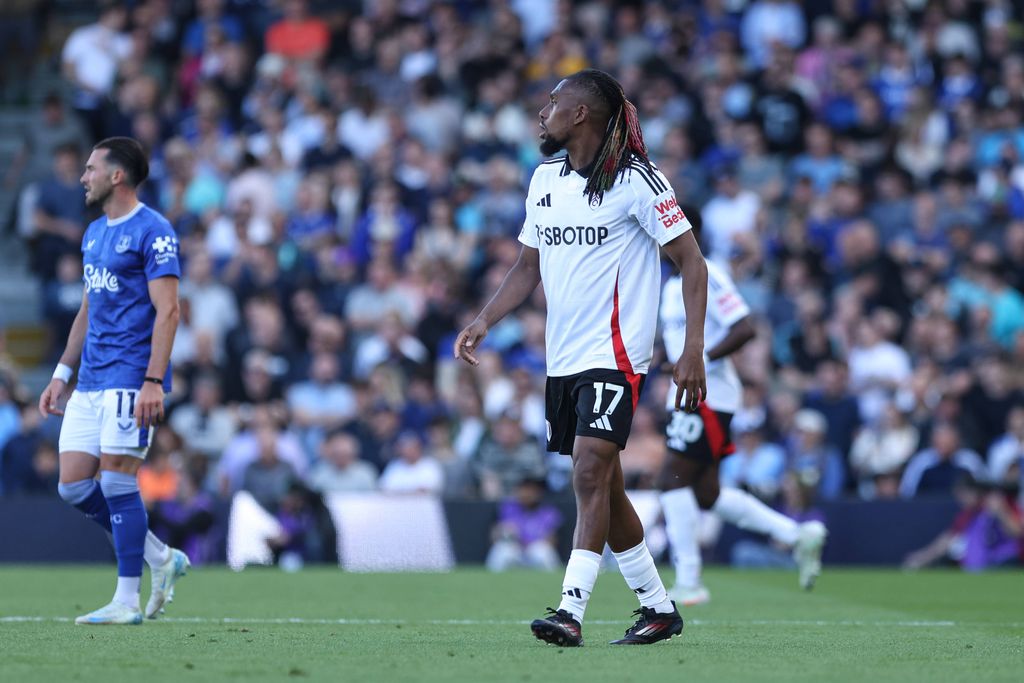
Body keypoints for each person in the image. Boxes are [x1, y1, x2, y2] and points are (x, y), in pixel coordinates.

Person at [455, 69, 707, 647]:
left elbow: (692, 263)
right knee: (606, 486)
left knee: (589, 470)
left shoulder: (639, 182)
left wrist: (691, 348)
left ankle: (570, 610)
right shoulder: (544, 181)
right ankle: (658, 607)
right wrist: (484, 320)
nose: (543, 112)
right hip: (562, 358)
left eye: (553, 102)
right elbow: (527, 267)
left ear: (581, 115)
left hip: (616, 354)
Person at [37, 137, 189, 626]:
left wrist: (153, 381)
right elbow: (89, 306)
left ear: (116, 176)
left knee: (119, 481)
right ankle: (161, 558)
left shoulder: (154, 231)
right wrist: (63, 371)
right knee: (74, 486)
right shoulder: (94, 234)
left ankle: (126, 601)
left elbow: (170, 311)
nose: (83, 177)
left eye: (90, 169)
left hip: (130, 377)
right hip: (92, 380)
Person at [657, 207, 827, 607]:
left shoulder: (708, 272)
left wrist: (698, 361)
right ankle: (796, 534)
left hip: (709, 395)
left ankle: (689, 580)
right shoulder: (670, 285)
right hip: (687, 394)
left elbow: (744, 328)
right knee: (706, 494)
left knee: (671, 480)